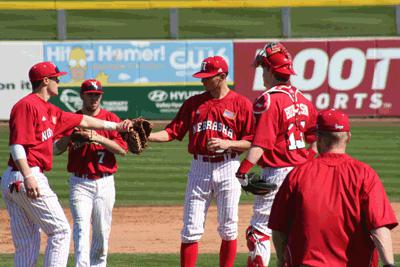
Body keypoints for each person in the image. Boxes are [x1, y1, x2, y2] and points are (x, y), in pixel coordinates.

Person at [1, 62, 132, 267]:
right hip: (26, 174)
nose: (58, 82)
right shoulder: (27, 105)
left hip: (18, 178)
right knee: (60, 231)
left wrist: (117, 126)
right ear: (45, 81)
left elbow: (85, 121)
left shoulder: (51, 110)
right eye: (56, 78)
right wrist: (28, 175)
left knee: (27, 243)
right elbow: (17, 145)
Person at [148, 56, 255, 267]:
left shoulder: (241, 104)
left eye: (207, 77)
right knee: (190, 229)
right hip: (199, 168)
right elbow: (173, 131)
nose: (202, 81)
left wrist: (227, 143)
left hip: (228, 165)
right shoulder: (194, 103)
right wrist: (148, 137)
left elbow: (252, 142)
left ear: (222, 77)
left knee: (228, 227)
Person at [268, 109, 398, 267]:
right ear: (348, 137)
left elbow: (279, 228)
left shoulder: (298, 174)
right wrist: (389, 264)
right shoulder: (365, 174)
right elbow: (379, 227)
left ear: (318, 139)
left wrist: (282, 260)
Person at [235, 42, 318, 267]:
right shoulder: (304, 101)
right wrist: (306, 163)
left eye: (263, 69)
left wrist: (242, 172)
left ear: (271, 71)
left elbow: (261, 143)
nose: (262, 73)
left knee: (258, 231)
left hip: (277, 173)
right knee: (295, 230)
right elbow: (314, 142)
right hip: (304, 173)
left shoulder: (268, 99)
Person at [54, 79, 128, 267]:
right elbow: (55, 149)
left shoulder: (111, 119)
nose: (94, 98)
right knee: (81, 228)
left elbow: (122, 149)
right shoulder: (72, 119)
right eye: (90, 95)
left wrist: (98, 137)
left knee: (102, 232)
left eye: (97, 95)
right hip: (80, 182)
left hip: (105, 182)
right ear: (82, 96)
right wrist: (69, 136)